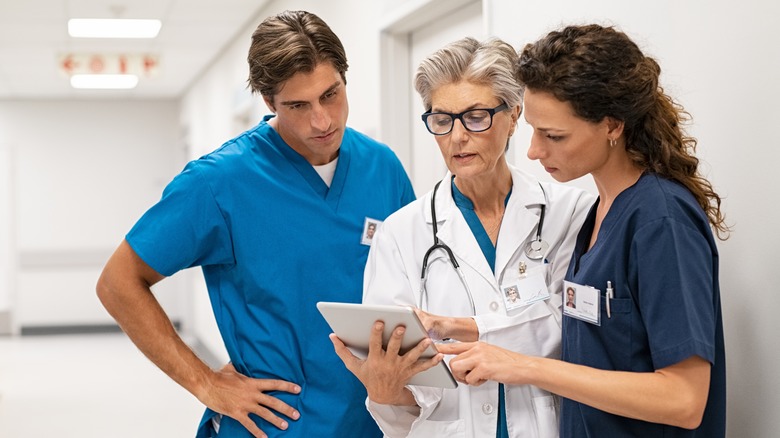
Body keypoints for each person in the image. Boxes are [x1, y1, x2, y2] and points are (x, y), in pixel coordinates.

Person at [95, 10, 414, 438]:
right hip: (276, 424)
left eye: (331, 94)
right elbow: (118, 282)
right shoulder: (218, 183)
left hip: (374, 422)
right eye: (297, 105)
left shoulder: (383, 167)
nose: (322, 120)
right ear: (268, 102)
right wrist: (204, 382)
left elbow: (416, 282)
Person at [438, 24, 728, 437]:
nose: (535, 151)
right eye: (535, 131)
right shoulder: (598, 214)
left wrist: (525, 368)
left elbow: (684, 399)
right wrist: (470, 328)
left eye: (554, 135)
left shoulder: (661, 222)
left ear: (612, 125)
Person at [330, 37, 593, 438]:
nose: (456, 137)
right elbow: (402, 395)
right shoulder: (401, 234)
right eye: (441, 119)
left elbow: (573, 333)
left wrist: (469, 327)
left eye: (475, 117)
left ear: (514, 114)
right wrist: (384, 389)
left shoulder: (568, 212)